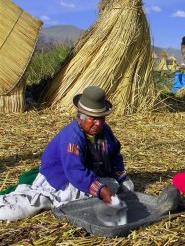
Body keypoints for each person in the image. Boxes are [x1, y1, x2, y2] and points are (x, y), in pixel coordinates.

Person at [0, 86, 134, 221]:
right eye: (92, 118)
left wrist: (120, 177)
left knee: (125, 187)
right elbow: (75, 171)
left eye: (101, 118)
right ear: (79, 117)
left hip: (88, 173)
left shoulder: (105, 131)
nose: (98, 123)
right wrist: (101, 190)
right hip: (62, 179)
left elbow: (115, 154)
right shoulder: (72, 138)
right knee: (24, 208)